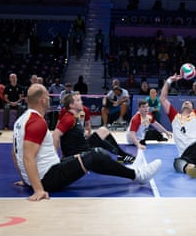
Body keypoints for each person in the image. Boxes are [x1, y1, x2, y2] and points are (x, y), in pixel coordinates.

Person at [11, 83, 162, 201]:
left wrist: (26, 179)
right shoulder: (37, 122)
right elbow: (28, 157)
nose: (50, 99)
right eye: (48, 97)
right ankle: (138, 175)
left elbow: (15, 152)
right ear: (43, 101)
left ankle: (130, 166)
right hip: (48, 178)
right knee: (95, 155)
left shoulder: (21, 121)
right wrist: (38, 189)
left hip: (47, 172)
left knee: (93, 154)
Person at [53, 92, 136, 164]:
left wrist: (86, 133)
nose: (82, 102)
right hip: (76, 148)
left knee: (103, 130)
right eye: (78, 100)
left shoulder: (84, 110)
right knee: (100, 141)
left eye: (80, 99)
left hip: (82, 140)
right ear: (71, 105)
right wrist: (56, 157)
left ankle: (122, 155)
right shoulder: (67, 115)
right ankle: (122, 156)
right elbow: (57, 132)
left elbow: (87, 125)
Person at [160, 72, 196, 178]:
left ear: (193, 109)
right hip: (187, 153)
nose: (186, 102)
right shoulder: (174, 116)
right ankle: (193, 170)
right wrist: (169, 81)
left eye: (189, 102)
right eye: (185, 102)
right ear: (180, 108)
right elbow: (162, 99)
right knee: (177, 163)